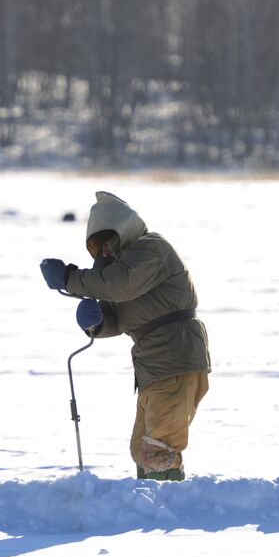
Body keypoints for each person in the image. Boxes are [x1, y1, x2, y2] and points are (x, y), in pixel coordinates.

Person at [40, 191, 210, 481]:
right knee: (142, 448)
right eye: (98, 247)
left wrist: (71, 277)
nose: (104, 252)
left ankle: (170, 513)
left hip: (174, 358)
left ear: (123, 232)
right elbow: (117, 316)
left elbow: (121, 286)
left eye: (107, 242)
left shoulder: (151, 249)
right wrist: (96, 323)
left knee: (159, 447)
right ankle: (150, 506)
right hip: (153, 365)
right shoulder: (122, 267)